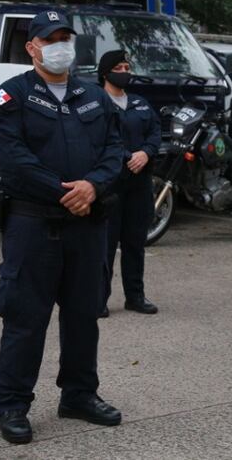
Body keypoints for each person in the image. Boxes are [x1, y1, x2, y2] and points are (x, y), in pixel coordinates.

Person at [0, 10, 124, 444]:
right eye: (51, 39)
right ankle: (11, 404)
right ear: (32, 47)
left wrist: (94, 186)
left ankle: (79, 395)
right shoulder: (12, 96)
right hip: (34, 224)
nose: (61, 45)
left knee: (84, 315)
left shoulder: (93, 96)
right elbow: (14, 159)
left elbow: (115, 150)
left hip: (87, 225)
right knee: (26, 319)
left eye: (66, 37)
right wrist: (68, 191)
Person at [98, 49, 162, 315]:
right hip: (110, 183)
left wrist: (145, 153)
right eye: (119, 68)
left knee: (135, 242)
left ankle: (135, 296)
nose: (124, 72)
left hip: (139, 183)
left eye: (127, 67)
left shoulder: (140, 103)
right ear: (106, 73)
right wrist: (127, 157)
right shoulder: (96, 102)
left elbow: (155, 132)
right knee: (106, 244)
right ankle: (98, 299)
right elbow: (97, 139)